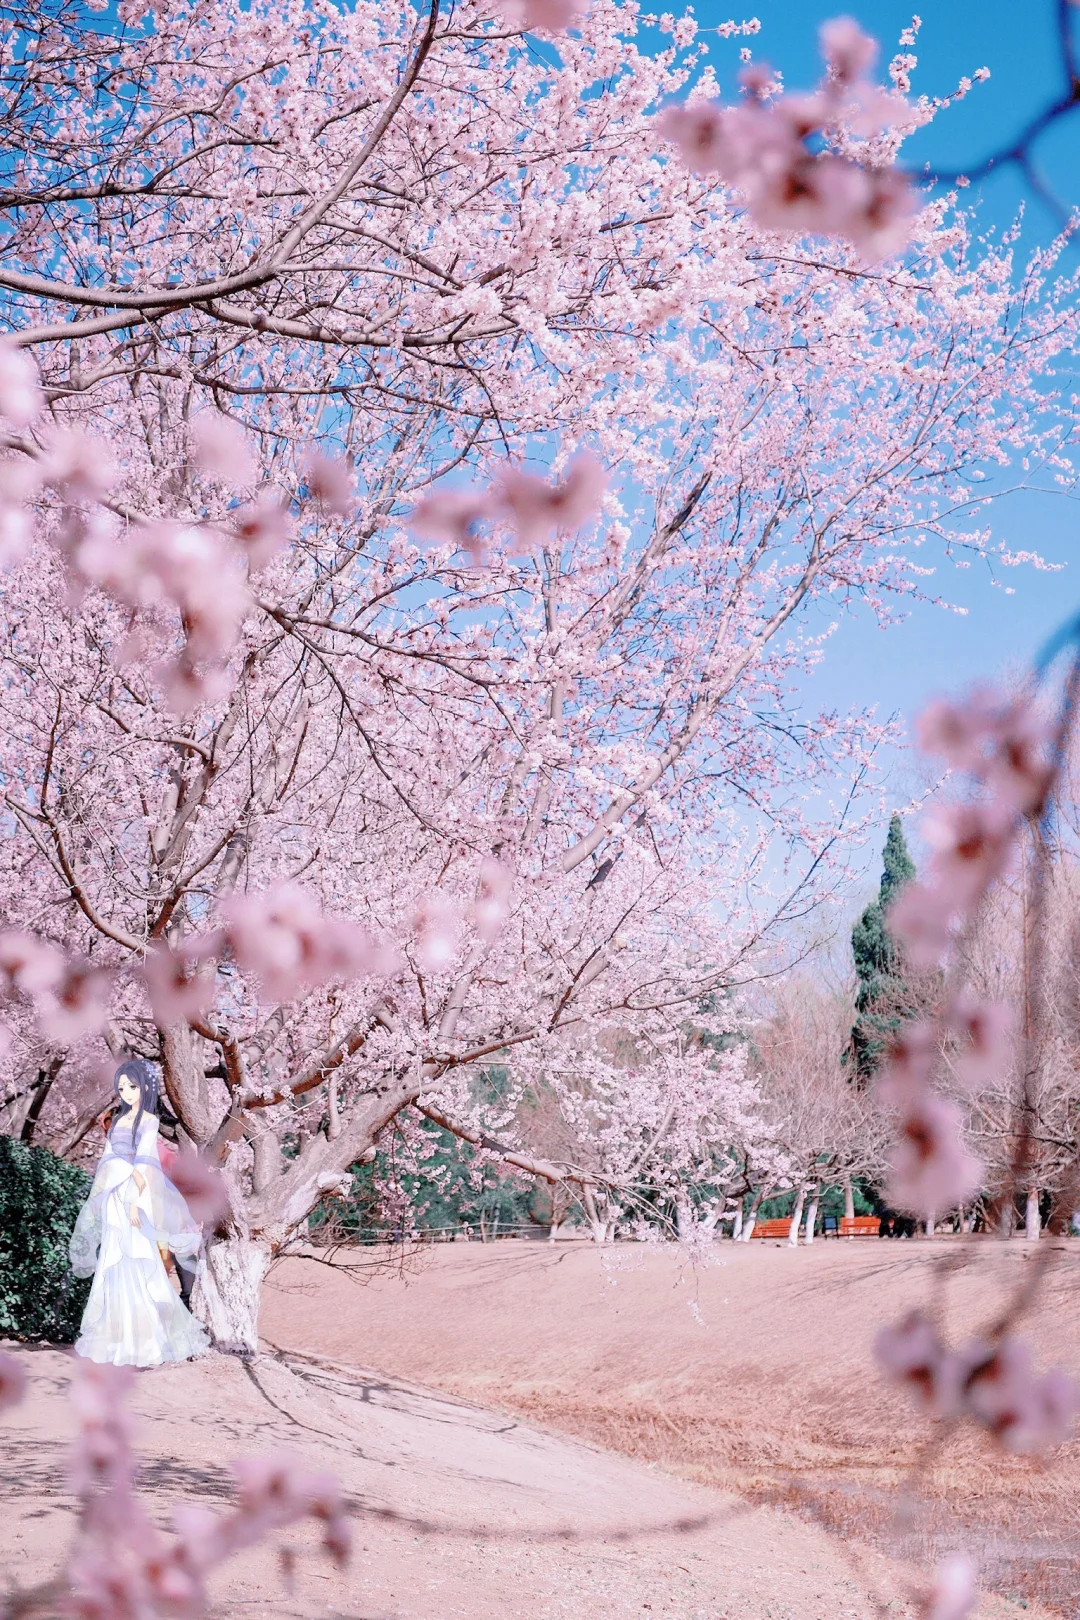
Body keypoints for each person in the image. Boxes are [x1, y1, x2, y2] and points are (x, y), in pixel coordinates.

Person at [69, 1058, 209, 1367]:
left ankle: (155, 1340)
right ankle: (123, 1340)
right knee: (117, 1269)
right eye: (121, 1088)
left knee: (150, 1272)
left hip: (145, 1206)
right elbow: (108, 1167)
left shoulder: (149, 1127)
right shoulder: (119, 1128)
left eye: (131, 1087)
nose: (126, 1092)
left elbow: (148, 1165)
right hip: (119, 1204)